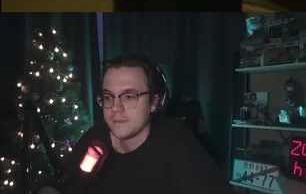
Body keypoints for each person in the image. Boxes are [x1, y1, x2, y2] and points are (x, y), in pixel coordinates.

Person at [40, 53, 232, 194]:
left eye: (129, 96)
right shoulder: (98, 136)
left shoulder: (176, 143)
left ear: (154, 103)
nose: (115, 108)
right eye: (108, 97)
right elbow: (61, 185)